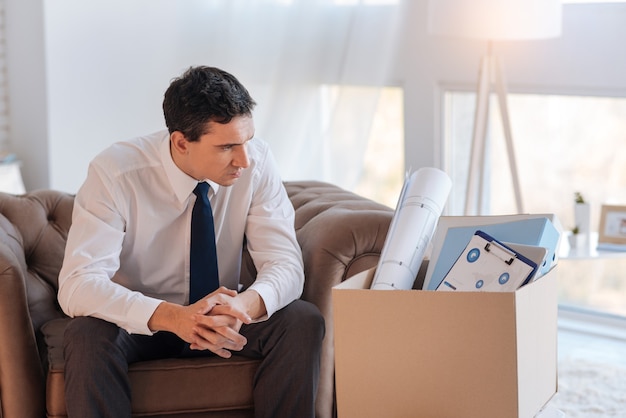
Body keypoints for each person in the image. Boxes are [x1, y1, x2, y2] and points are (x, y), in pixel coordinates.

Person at [57, 66, 325, 418]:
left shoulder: (256, 162)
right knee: (86, 335)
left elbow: (285, 263)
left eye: (246, 140)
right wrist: (173, 318)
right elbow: (77, 284)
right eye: (227, 146)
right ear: (181, 142)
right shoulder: (115, 173)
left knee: (302, 320)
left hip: (223, 317)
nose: (244, 159)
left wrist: (242, 307)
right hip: (143, 321)